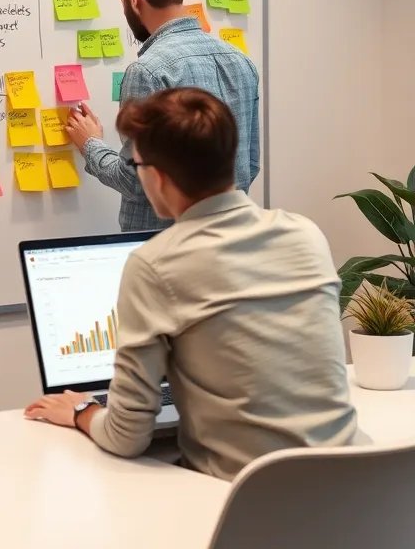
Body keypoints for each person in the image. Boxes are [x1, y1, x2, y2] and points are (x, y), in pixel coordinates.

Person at [27, 88, 357, 481]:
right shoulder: (305, 234)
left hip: (240, 503)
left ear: (159, 177)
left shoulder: (156, 263)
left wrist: (82, 411)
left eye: (136, 167)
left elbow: (126, 436)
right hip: (346, 494)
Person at [65, 0, 259, 231]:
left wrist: (90, 143)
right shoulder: (242, 62)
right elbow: (249, 164)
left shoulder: (148, 72)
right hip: (230, 240)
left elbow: (136, 180)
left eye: (120, 1)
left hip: (162, 249)